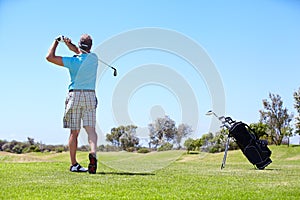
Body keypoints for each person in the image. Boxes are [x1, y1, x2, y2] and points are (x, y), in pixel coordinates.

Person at [46, 34, 98, 174]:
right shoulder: (94, 59)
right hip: (90, 95)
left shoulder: (72, 61)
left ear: (79, 45)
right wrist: (71, 46)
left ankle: (74, 164)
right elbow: (81, 52)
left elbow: (49, 57)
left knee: (74, 132)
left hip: (74, 95)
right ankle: (93, 153)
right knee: (91, 130)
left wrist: (57, 41)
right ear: (91, 46)